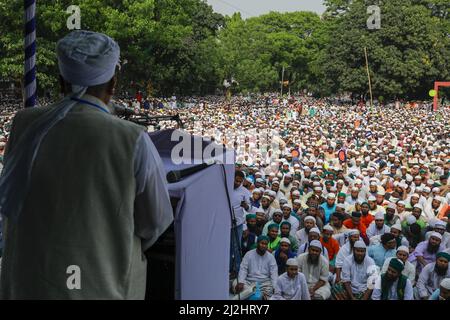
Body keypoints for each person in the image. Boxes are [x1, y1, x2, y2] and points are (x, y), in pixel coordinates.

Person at [0, 31, 174, 299]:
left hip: (26, 286)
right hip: (101, 288)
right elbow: (155, 222)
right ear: (113, 83)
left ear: (61, 81)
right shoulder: (132, 138)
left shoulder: (24, 124)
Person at [235, 236, 278, 300]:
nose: (263, 246)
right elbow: (243, 269)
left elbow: (274, 273)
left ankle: (252, 294)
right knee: (236, 283)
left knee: (268, 291)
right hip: (249, 282)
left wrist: (275, 287)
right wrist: (241, 281)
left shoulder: (271, 257)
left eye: (265, 244)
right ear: (257, 243)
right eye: (262, 243)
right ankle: (254, 293)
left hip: (264, 284)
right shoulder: (249, 254)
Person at [231, 170, 252, 273]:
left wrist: (246, 206)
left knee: (236, 246)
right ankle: (227, 268)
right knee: (226, 246)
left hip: (238, 223)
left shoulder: (244, 191)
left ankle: (237, 269)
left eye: (240, 181)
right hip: (224, 223)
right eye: (236, 180)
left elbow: (249, 208)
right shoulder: (226, 187)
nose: (237, 183)